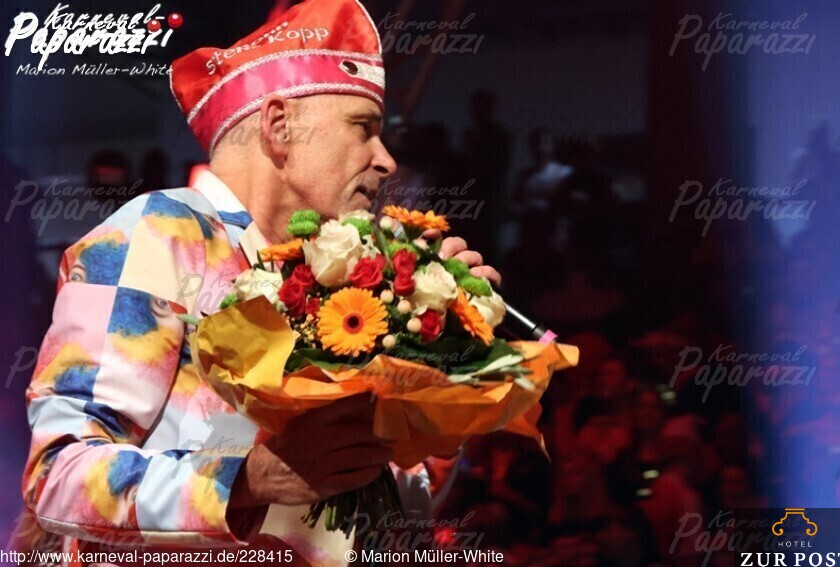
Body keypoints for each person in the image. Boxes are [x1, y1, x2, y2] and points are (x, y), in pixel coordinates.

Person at [19, 1, 500, 565]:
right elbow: (59, 474)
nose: (386, 160)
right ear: (279, 126)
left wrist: (447, 375)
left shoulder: (344, 285)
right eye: (363, 129)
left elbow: (386, 513)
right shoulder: (165, 231)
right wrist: (246, 480)